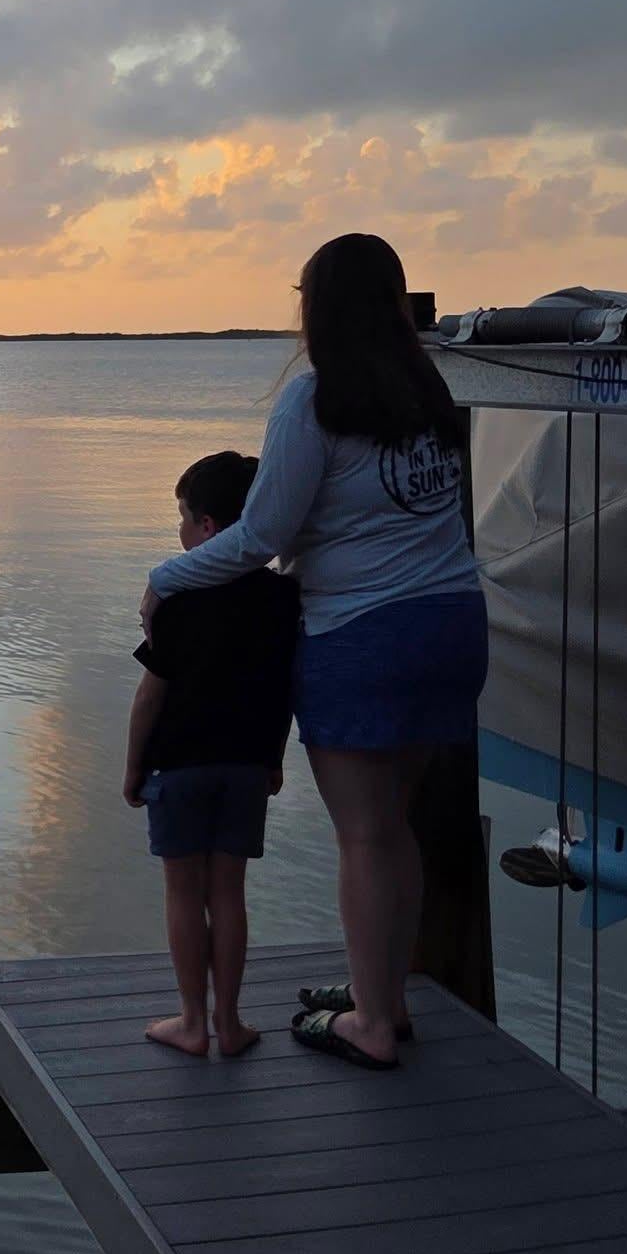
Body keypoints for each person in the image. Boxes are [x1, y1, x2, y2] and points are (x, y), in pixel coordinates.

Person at [140, 233, 486, 1070]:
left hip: (362, 636)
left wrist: (167, 575)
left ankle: (371, 1025)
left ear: (315, 307)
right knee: (393, 827)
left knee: (365, 837)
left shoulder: (314, 401)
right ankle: (385, 998)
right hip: (453, 622)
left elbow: (260, 536)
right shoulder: (428, 389)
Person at [124, 452, 300, 1057]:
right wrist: (274, 758)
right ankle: (230, 1022)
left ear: (207, 529)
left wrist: (131, 768)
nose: (178, 530)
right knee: (229, 891)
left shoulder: (180, 598)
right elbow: (284, 689)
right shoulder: (282, 600)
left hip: (180, 764)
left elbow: (151, 695)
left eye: (183, 517)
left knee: (182, 890)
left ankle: (191, 1022)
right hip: (248, 764)